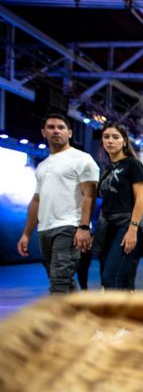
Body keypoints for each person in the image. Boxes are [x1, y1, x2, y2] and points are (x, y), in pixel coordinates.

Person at [16, 113, 99, 293]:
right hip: (45, 229)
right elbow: (37, 200)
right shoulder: (42, 166)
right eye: (51, 127)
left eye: (61, 127)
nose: (56, 131)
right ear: (43, 132)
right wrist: (26, 234)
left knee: (59, 281)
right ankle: (78, 317)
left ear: (69, 133)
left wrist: (84, 227)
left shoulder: (82, 159)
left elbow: (89, 195)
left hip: (69, 226)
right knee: (62, 281)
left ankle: (55, 322)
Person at [93, 123, 143, 290]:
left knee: (111, 277)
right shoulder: (107, 170)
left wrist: (132, 230)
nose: (110, 141)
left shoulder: (133, 165)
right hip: (106, 228)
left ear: (124, 141)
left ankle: (117, 315)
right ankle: (123, 315)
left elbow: (140, 200)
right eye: (106, 137)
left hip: (125, 226)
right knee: (112, 278)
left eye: (115, 137)